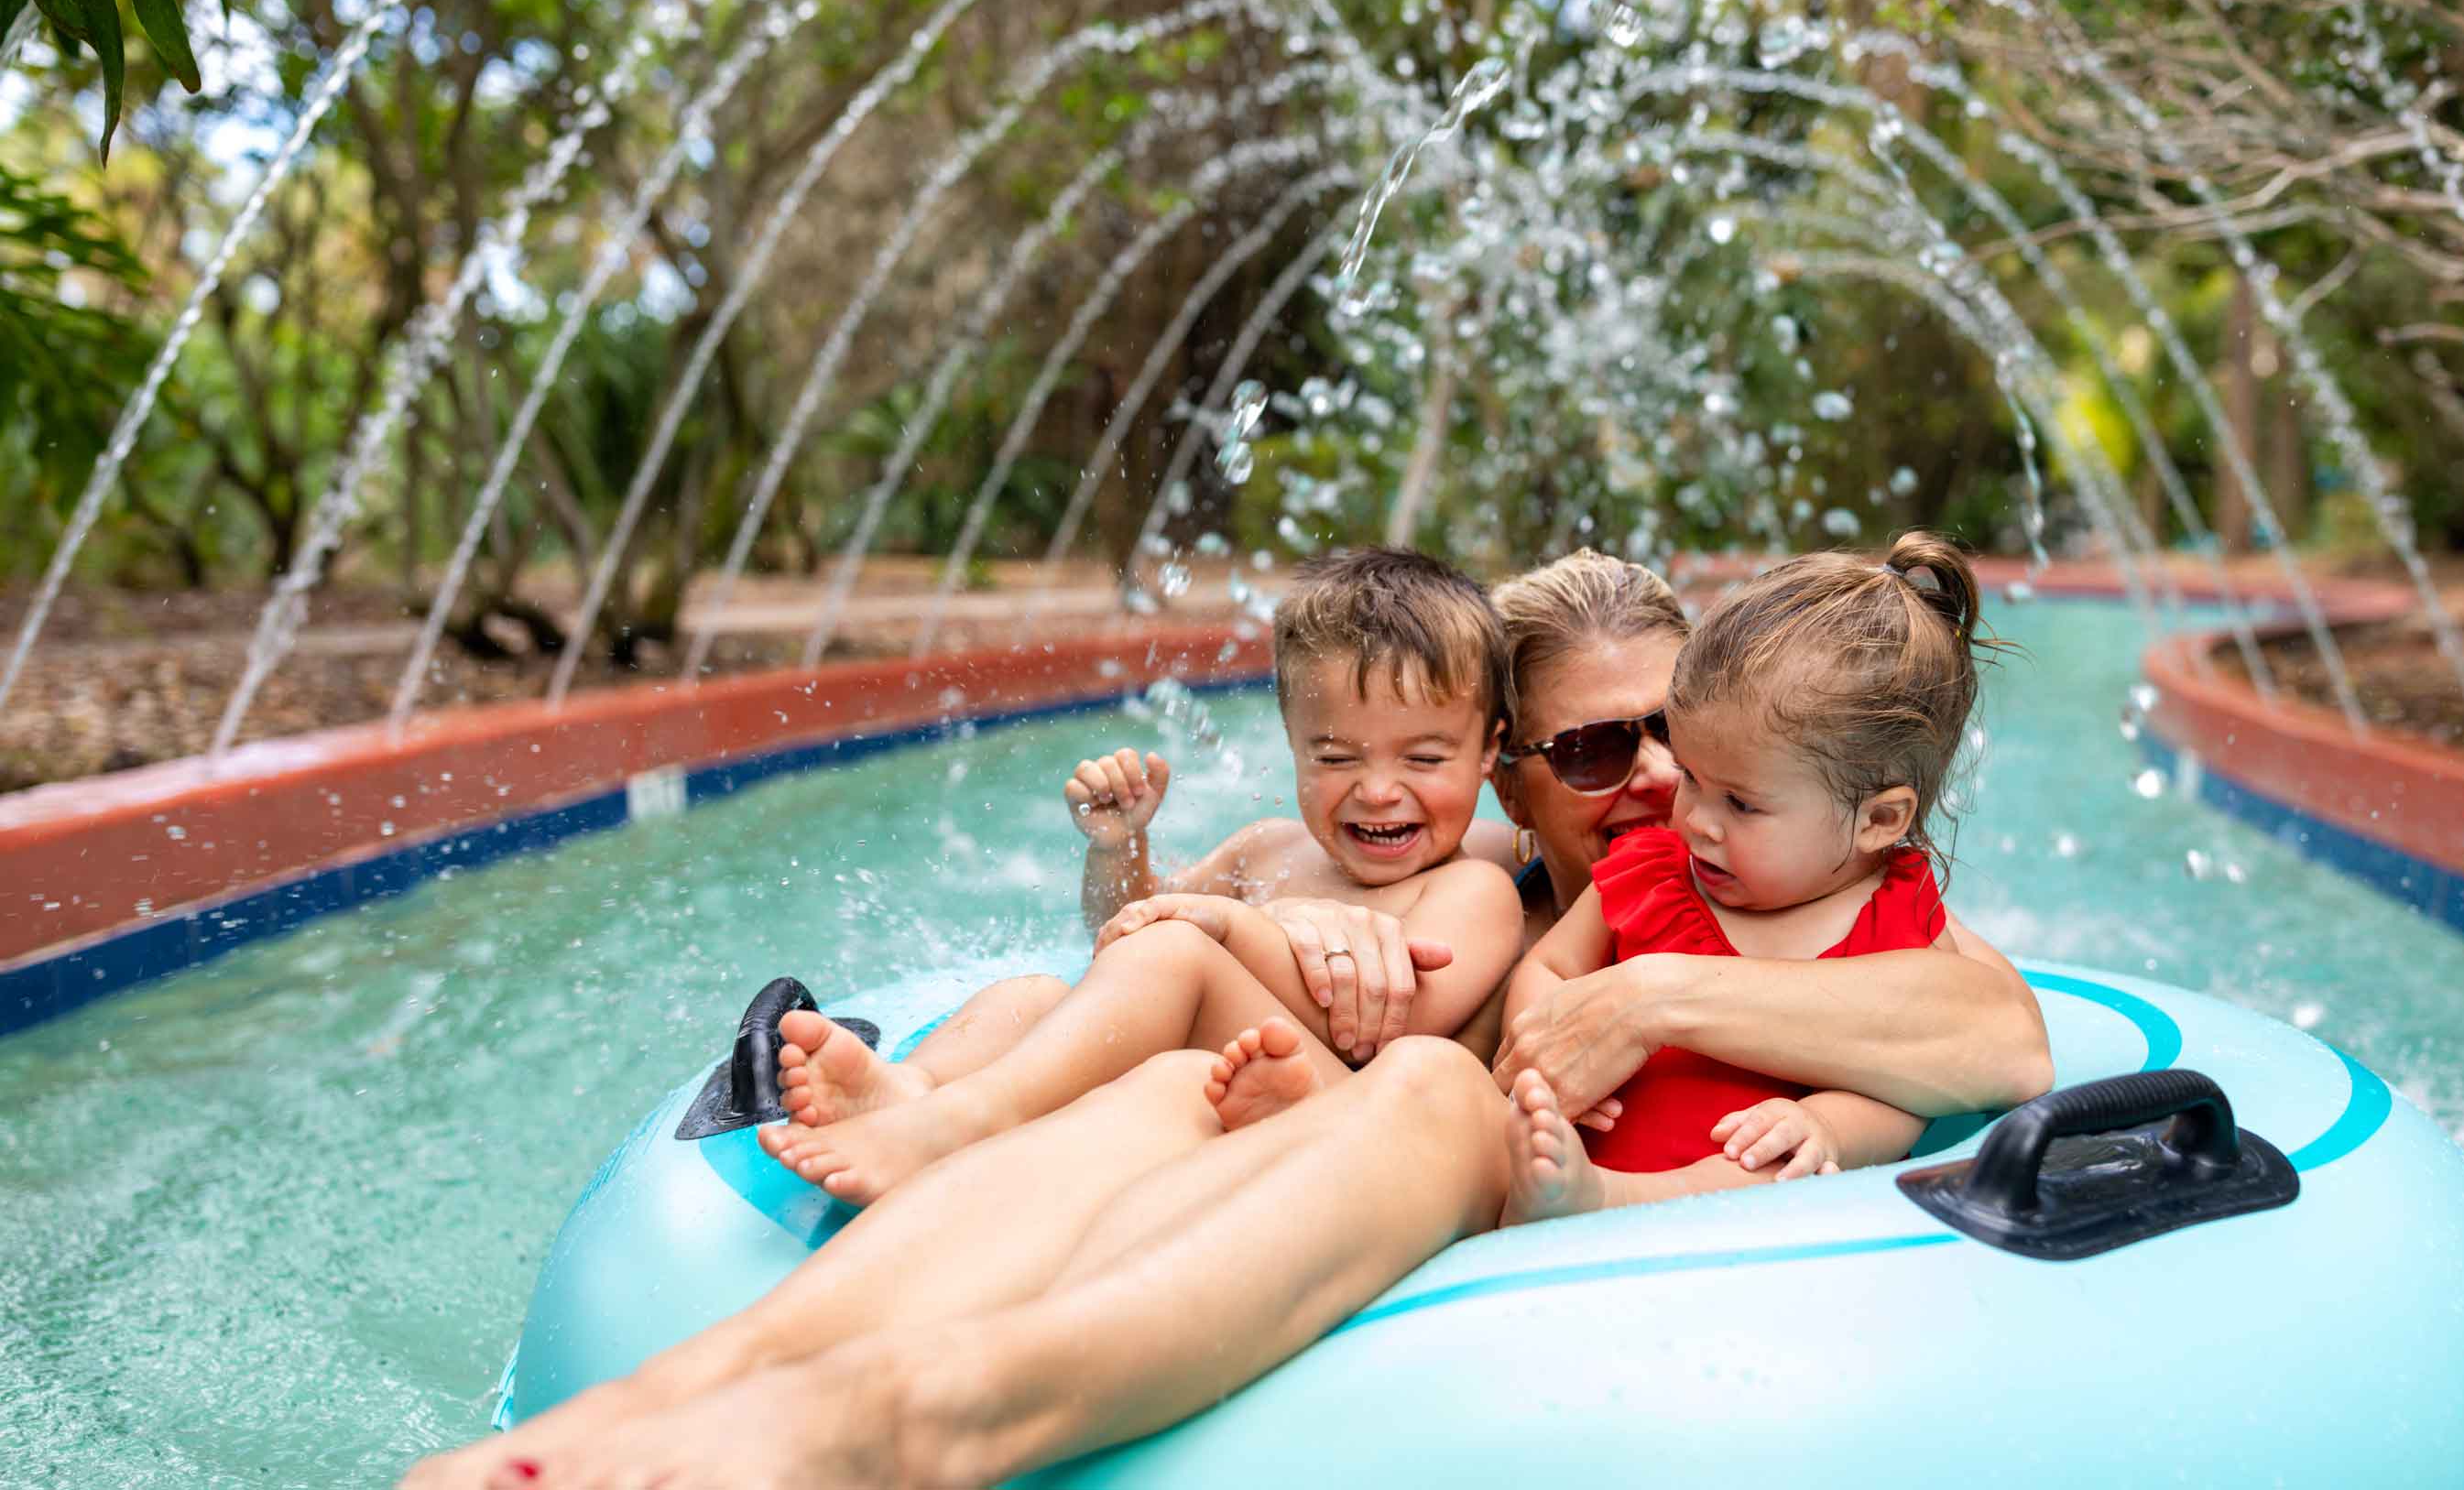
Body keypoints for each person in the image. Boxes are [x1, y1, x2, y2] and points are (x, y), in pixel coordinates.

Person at [409, 542, 2050, 1490]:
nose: (1662, 789)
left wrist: (1655, 1003)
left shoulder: (1796, 892)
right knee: (1180, 1075)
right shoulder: (1500, 873)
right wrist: (1185, 906)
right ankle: (678, 1395)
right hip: (1342, 1142)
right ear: (1505, 761)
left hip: (1500, 1185)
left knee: (1411, 1089)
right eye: (1597, 752)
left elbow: (1996, 1044)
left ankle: (897, 1422)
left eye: (1675, 743)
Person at [752, 547, 1528, 1205]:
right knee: (1031, 996)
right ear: (1291, 737)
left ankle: (961, 1123)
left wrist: (1223, 927)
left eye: (1424, 758)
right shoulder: (1268, 848)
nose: (1378, 789)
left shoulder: (1472, 889)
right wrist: (1120, 850)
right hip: (1230, 1065)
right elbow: (1123, 934)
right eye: (1335, 756)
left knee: (1179, 952)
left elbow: (1392, 1025)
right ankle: (910, 1090)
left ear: (1489, 751)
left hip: (1344, 1105)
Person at [1497, 531, 1998, 1221]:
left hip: (1740, 1200)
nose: (1691, 814)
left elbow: (1910, 1083)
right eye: (1590, 749)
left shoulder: (1896, 920)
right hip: (1590, 1145)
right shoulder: (1650, 873)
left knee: (1774, 1163)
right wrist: (1543, 1056)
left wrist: (1829, 1126)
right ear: (1505, 788)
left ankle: (1606, 1200)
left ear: (1879, 820)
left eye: (1739, 802)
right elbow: (1550, 968)